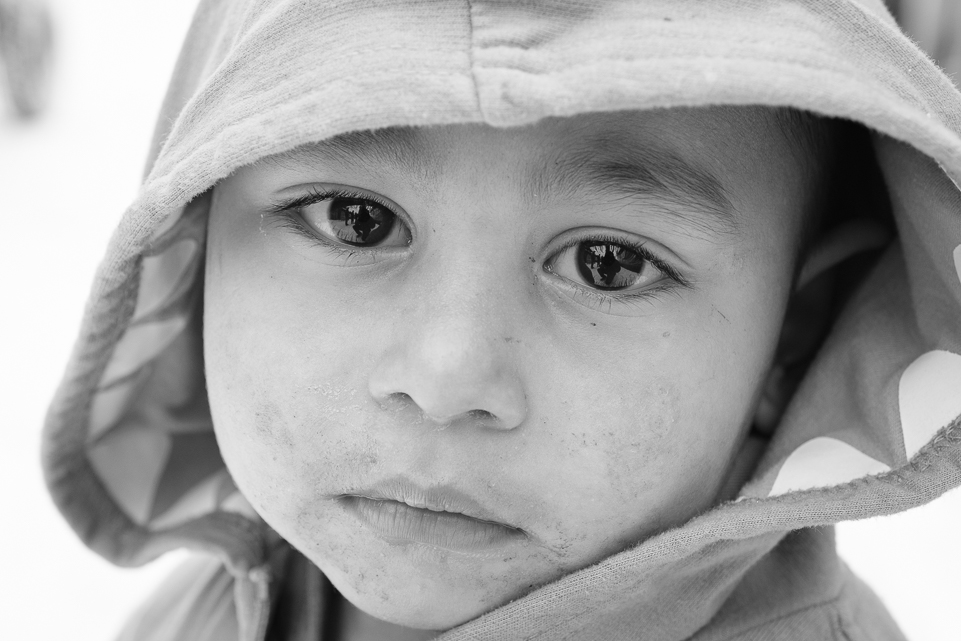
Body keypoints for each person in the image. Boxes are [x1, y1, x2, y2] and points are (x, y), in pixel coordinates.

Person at [41, 1, 961, 640]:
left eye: (607, 263)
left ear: (796, 325)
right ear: (195, 225)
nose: (445, 378)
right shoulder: (216, 607)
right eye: (356, 220)